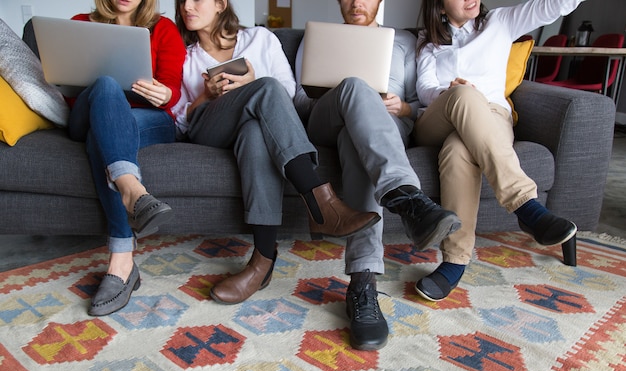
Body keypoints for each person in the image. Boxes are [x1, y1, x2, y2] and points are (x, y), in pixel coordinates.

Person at [171, 0, 381, 306]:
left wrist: (251, 85)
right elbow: (178, 121)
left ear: (220, 4)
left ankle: (262, 261)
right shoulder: (185, 56)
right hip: (209, 128)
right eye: (182, 1)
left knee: (257, 127)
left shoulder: (261, 38)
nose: (187, 6)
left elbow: (287, 94)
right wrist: (207, 95)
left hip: (253, 127)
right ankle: (320, 202)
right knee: (265, 88)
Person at [293, 0, 462, 351]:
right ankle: (407, 197)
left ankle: (363, 282)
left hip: (384, 129)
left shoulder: (403, 41)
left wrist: (402, 107)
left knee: (357, 145)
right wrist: (337, 95)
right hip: (326, 117)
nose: (357, 2)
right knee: (356, 87)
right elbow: (296, 101)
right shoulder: (317, 38)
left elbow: (419, 104)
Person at [412, 0, 582, 302]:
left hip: (491, 117)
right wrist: (447, 90)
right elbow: (424, 86)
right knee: (463, 94)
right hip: (439, 116)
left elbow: (556, 6)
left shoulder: (501, 21)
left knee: (457, 150)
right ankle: (525, 207)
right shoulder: (429, 40)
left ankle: (454, 261)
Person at [67, 0, 186, 316]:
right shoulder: (79, 23)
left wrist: (165, 94)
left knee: (102, 136)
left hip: (146, 118)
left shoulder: (163, 28)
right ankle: (133, 192)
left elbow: (171, 89)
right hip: (87, 111)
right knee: (105, 85)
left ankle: (122, 259)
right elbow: (64, 87)